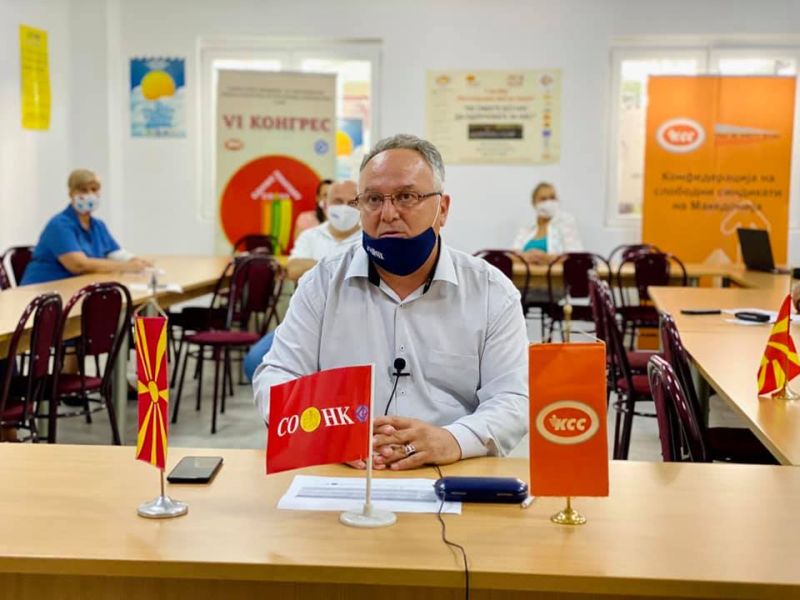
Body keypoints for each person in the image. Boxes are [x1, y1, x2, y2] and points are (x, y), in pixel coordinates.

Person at [253, 134, 528, 470]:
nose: (388, 213)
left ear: (442, 209)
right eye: (372, 199)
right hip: (344, 469)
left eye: (406, 197)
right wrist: (328, 433)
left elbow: (512, 397)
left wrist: (453, 439)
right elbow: (278, 374)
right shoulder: (322, 283)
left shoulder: (490, 292)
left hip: (452, 469)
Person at [242, 180, 362, 380]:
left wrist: (314, 266)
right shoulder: (310, 236)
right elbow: (293, 269)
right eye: (338, 201)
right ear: (324, 204)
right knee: (255, 361)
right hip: (304, 320)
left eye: (352, 203)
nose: (344, 207)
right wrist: (341, 267)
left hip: (351, 326)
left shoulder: (368, 239)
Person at [21, 169, 149, 285]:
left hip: (76, 287)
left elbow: (114, 253)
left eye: (94, 189)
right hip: (43, 291)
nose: (89, 195)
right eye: (83, 190)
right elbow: (78, 265)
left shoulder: (98, 225)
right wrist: (128, 267)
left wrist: (136, 261)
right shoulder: (60, 225)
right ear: (71, 193)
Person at [512, 182, 582, 265]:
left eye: (552, 198)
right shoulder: (527, 228)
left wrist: (549, 258)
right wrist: (524, 257)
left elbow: (576, 256)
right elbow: (513, 254)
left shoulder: (566, 222)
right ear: (534, 203)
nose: (549, 203)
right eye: (543, 199)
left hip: (556, 273)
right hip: (523, 272)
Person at [292, 178, 333, 243]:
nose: (329, 199)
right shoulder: (306, 219)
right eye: (325, 195)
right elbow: (300, 246)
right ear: (318, 198)